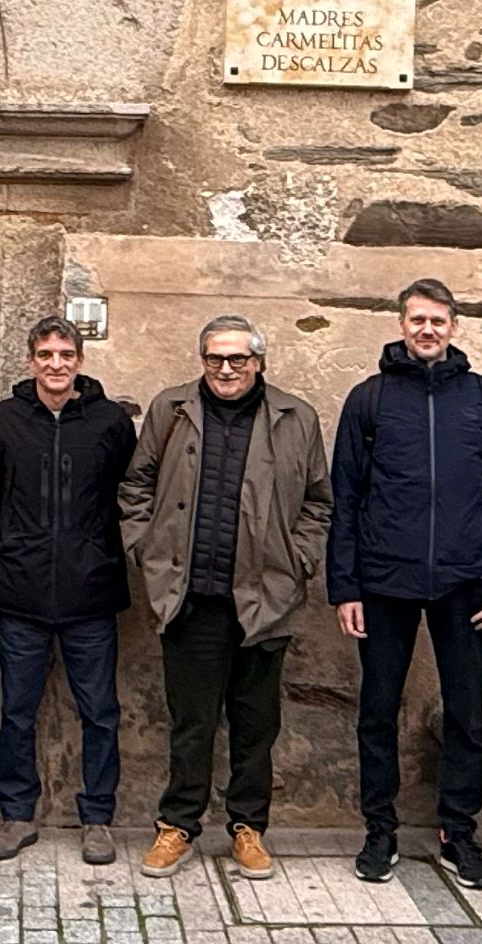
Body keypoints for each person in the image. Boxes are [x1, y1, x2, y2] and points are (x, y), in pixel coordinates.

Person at [328, 278, 482, 891]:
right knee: (377, 711)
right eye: (417, 319)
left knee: (467, 714)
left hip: (464, 581)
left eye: (438, 320)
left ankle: (459, 833)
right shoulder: (369, 401)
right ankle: (379, 831)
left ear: (453, 326)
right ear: (400, 324)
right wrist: (346, 586)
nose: (427, 329)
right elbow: (346, 501)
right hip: (384, 580)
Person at [118, 316, 331, 881]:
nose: (227, 369)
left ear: (259, 361)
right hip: (190, 596)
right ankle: (178, 825)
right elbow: (136, 485)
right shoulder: (172, 410)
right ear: (202, 361)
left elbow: (318, 502)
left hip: (266, 598)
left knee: (255, 722)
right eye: (215, 358)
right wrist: (145, 547)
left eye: (238, 358)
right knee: (191, 721)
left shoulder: (295, 418)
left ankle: (248, 827)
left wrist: (300, 561)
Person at [0, 316, 137, 867]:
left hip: (91, 592)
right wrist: (25, 542)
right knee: (17, 712)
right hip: (21, 593)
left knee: (100, 712)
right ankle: (17, 814)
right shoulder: (1, 421)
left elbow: (125, 494)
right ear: (30, 361)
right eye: (45, 354)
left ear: (80, 361)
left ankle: (97, 819)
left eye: (66, 354)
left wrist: (89, 548)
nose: (56, 364)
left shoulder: (112, 423)